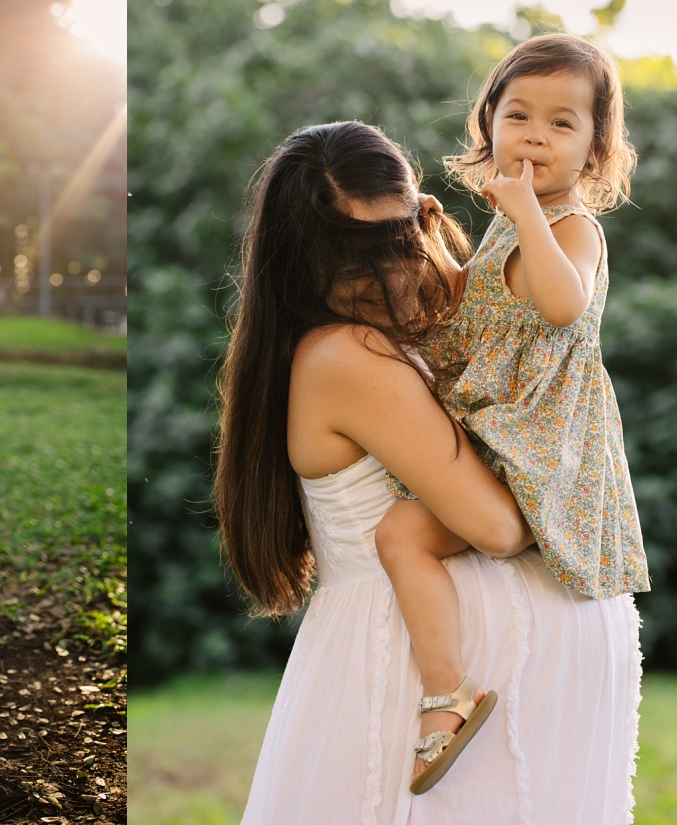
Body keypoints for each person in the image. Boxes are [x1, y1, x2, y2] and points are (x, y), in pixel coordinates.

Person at [215, 120, 642, 824]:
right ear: (302, 260)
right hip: (404, 670)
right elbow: (498, 526)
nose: (389, 271)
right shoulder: (345, 354)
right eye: (358, 256)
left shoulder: (398, 331)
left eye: (399, 238)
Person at [375, 32, 649, 794]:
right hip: (497, 431)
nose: (536, 134)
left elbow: (562, 305)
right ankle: (443, 689)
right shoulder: (507, 226)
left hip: (541, 444)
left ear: (595, 150)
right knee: (400, 527)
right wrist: (431, 244)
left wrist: (527, 207)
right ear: (489, 122)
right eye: (519, 114)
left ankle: (446, 697)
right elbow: (461, 312)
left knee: (401, 530)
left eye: (563, 123)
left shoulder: (573, 228)